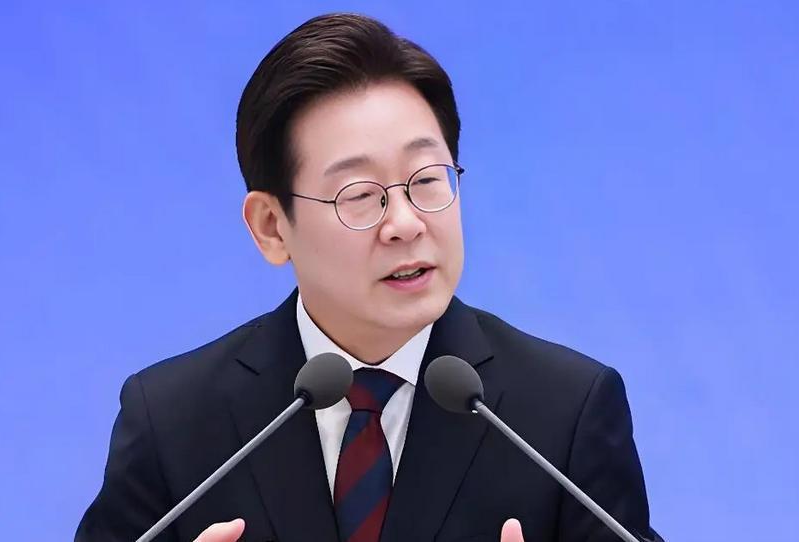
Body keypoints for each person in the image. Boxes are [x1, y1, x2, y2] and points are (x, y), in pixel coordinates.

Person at [77, 13, 663, 542]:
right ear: (272, 227)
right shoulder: (171, 420)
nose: (405, 223)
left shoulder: (564, 413)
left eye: (427, 179)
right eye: (359, 195)